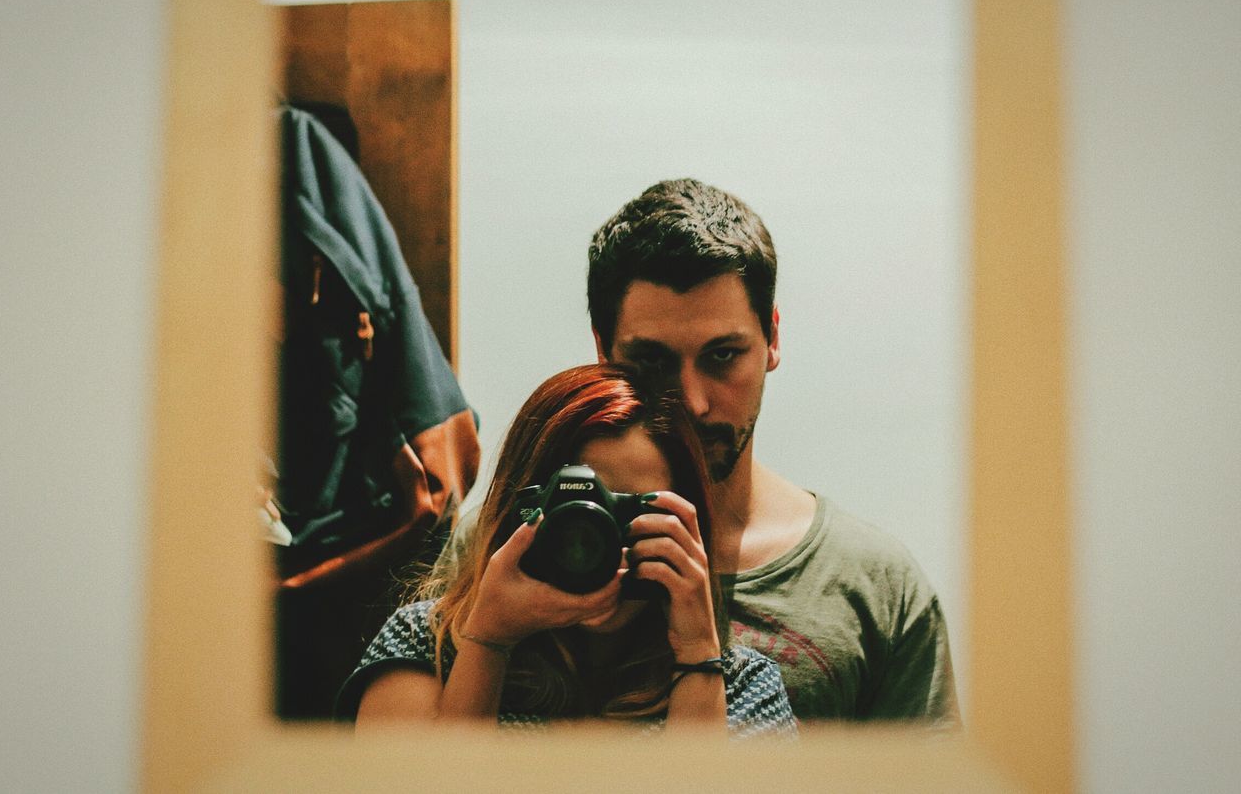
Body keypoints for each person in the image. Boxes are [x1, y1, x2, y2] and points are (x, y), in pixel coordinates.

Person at [586, 178, 960, 724]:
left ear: (773, 340)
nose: (691, 401)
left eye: (722, 356)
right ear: (602, 351)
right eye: (653, 362)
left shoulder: (873, 585)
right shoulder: (516, 545)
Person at [338, 364, 796, 738]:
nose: (596, 540)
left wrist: (697, 651)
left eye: (627, 513)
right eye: (576, 511)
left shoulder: (740, 687)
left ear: (687, 520)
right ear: (517, 508)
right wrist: (488, 642)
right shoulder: (426, 645)